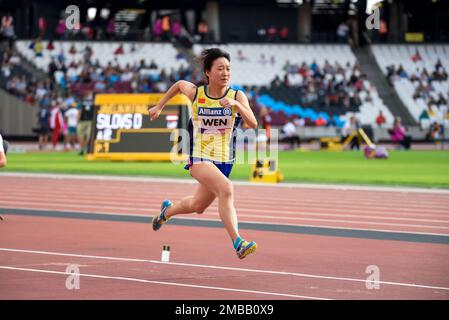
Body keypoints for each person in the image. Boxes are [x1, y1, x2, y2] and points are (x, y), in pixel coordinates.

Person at [148, 48, 258, 260]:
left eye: (228, 69)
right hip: (199, 157)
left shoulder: (237, 95)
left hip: (225, 161)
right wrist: (159, 106)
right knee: (226, 189)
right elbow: (180, 85)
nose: (225, 73)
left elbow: (253, 123)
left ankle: (166, 212)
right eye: (220, 69)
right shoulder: (197, 93)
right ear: (208, 72)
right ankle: (238, 242)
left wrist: (237, 105)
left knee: (197, 206)